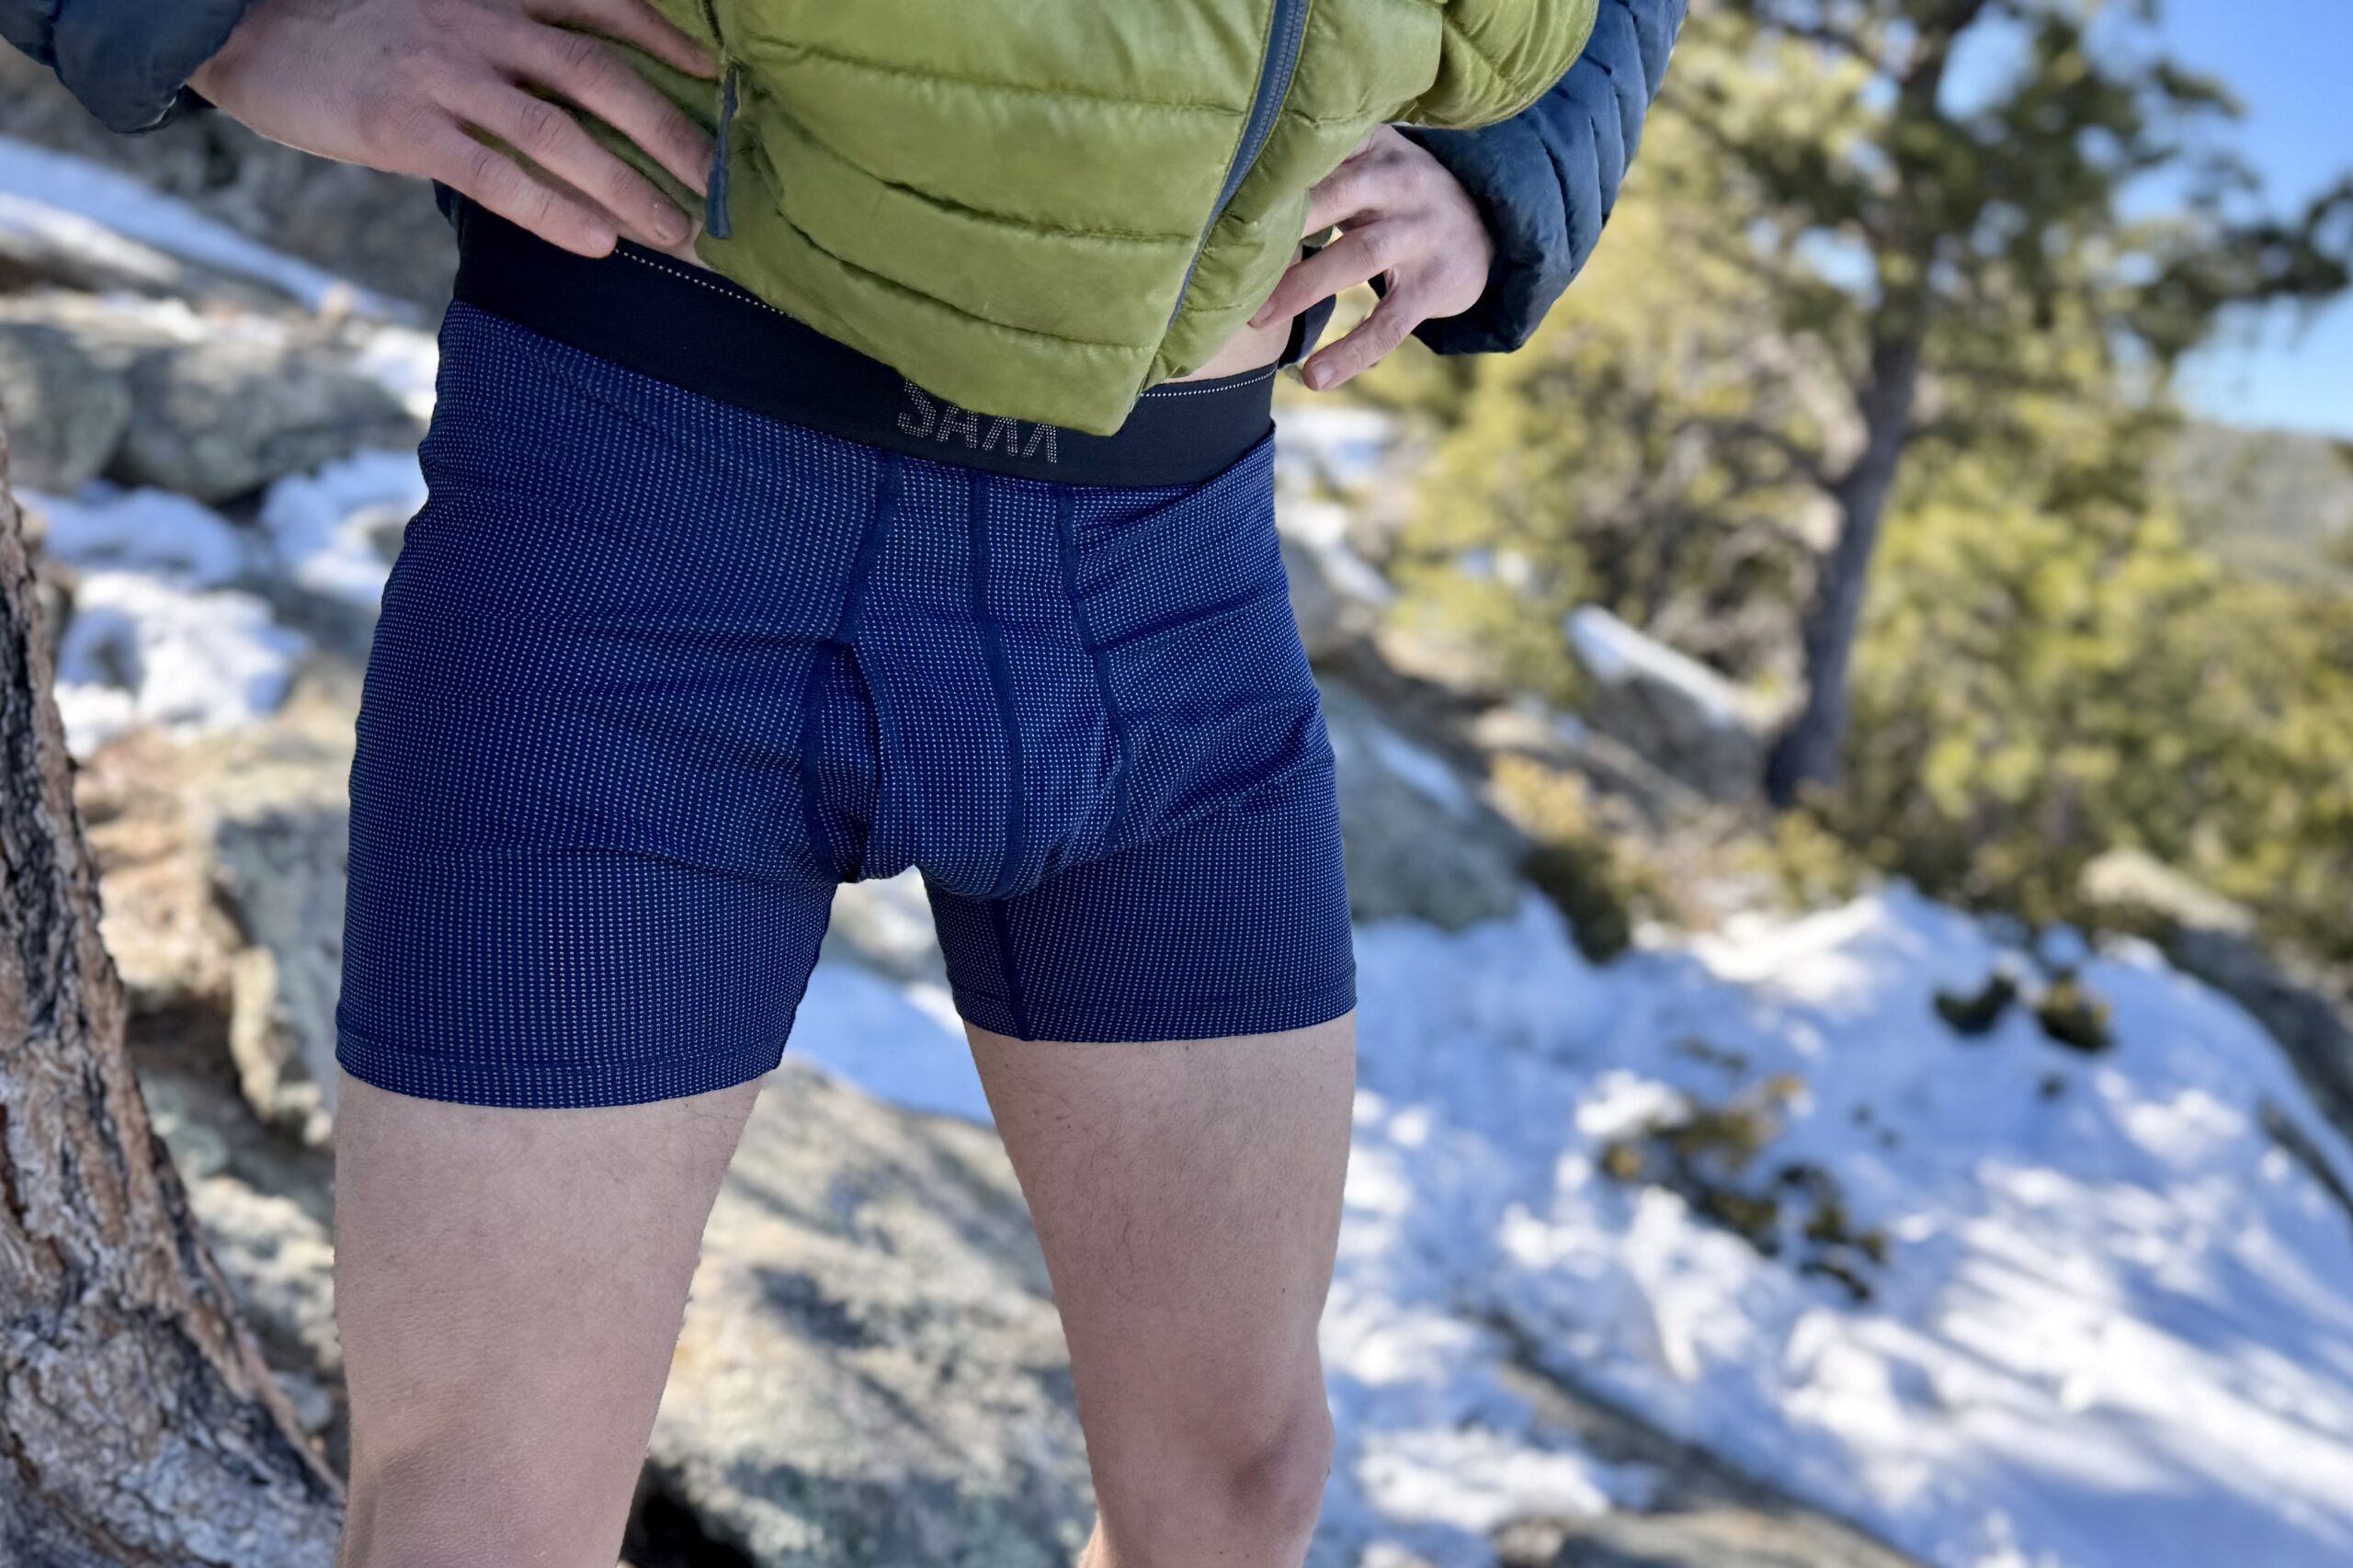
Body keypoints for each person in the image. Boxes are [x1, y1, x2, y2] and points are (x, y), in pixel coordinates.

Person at [3, 0, 1683, 1562]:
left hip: (1166, 581)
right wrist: (223, 25)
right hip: (651, 493)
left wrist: (1512, 161)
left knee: (1242, 1481)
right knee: (481, 1519)